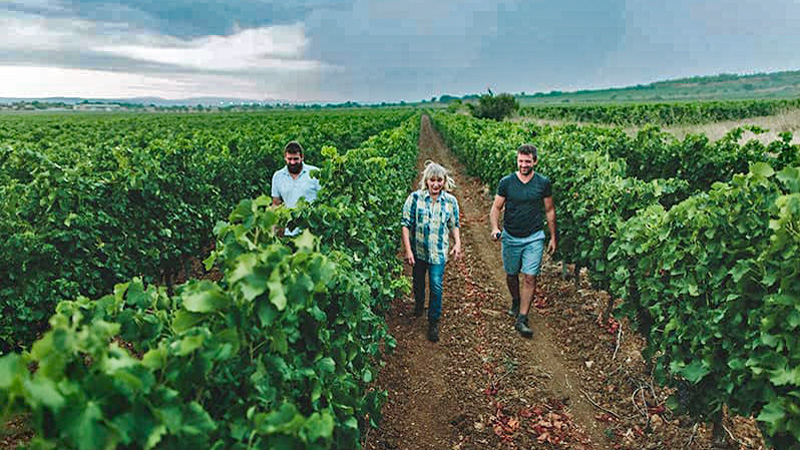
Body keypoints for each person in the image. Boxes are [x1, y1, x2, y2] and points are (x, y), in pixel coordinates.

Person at [489, 144, 557, 338]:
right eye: (521, 161)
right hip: (510, 236)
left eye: (527, 161)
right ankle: (516, 300)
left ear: (535, 161)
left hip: (534, 237)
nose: (524, 164)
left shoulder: (543, 183)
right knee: (511, 274)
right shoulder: (506, 182)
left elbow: (550, 210)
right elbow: (496, 207)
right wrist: (495, 228)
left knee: (530, 277)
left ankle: (522, 318)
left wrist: (553, 237)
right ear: (517, 160)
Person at [401, 161, 462, 342]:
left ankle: (433, 321)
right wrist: (408, 250)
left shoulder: (451, 201)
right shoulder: (415, 198)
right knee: (418, 282)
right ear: (426, 181)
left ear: (444, 182)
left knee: (436, 285)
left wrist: (457, 243)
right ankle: (419, 305)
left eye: (439, 181)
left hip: (438, 252)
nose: (436, 184)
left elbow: (454, 225)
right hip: (419, 251)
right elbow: (405, 224)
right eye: (432, 180)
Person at [271, 141, 321, 236]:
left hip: (312, 232)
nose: (292, 162)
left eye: (296, 159)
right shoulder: (278, 176)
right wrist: (276, 230)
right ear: (285, 158)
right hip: (289, 233)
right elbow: (276, 204)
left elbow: (323, 200)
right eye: (289, 159)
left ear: (302, 157)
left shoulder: (315, 173)